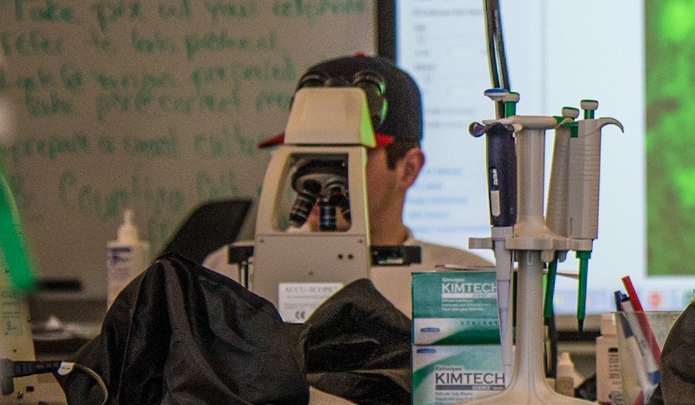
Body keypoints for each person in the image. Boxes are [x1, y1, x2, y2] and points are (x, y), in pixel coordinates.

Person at [204, 54, 487, 312]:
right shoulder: (226, 274)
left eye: (344, 157)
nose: (319, 174)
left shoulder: (465, 286)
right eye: (306, 156)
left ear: (408, 169)